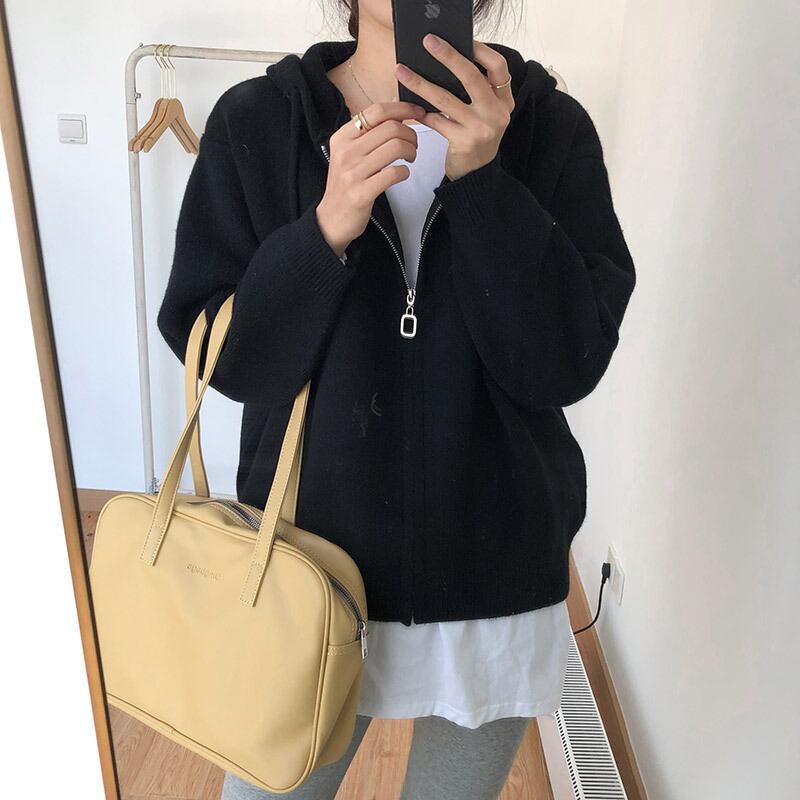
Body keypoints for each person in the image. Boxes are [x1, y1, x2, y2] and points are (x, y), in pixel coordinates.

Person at [156, 1, 636, 797]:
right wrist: (324, 228)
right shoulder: (259, 122)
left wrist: (484, 185)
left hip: (495, 578)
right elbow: (224, 358)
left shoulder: (550, 129)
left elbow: (567, 363)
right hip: (304, 573)